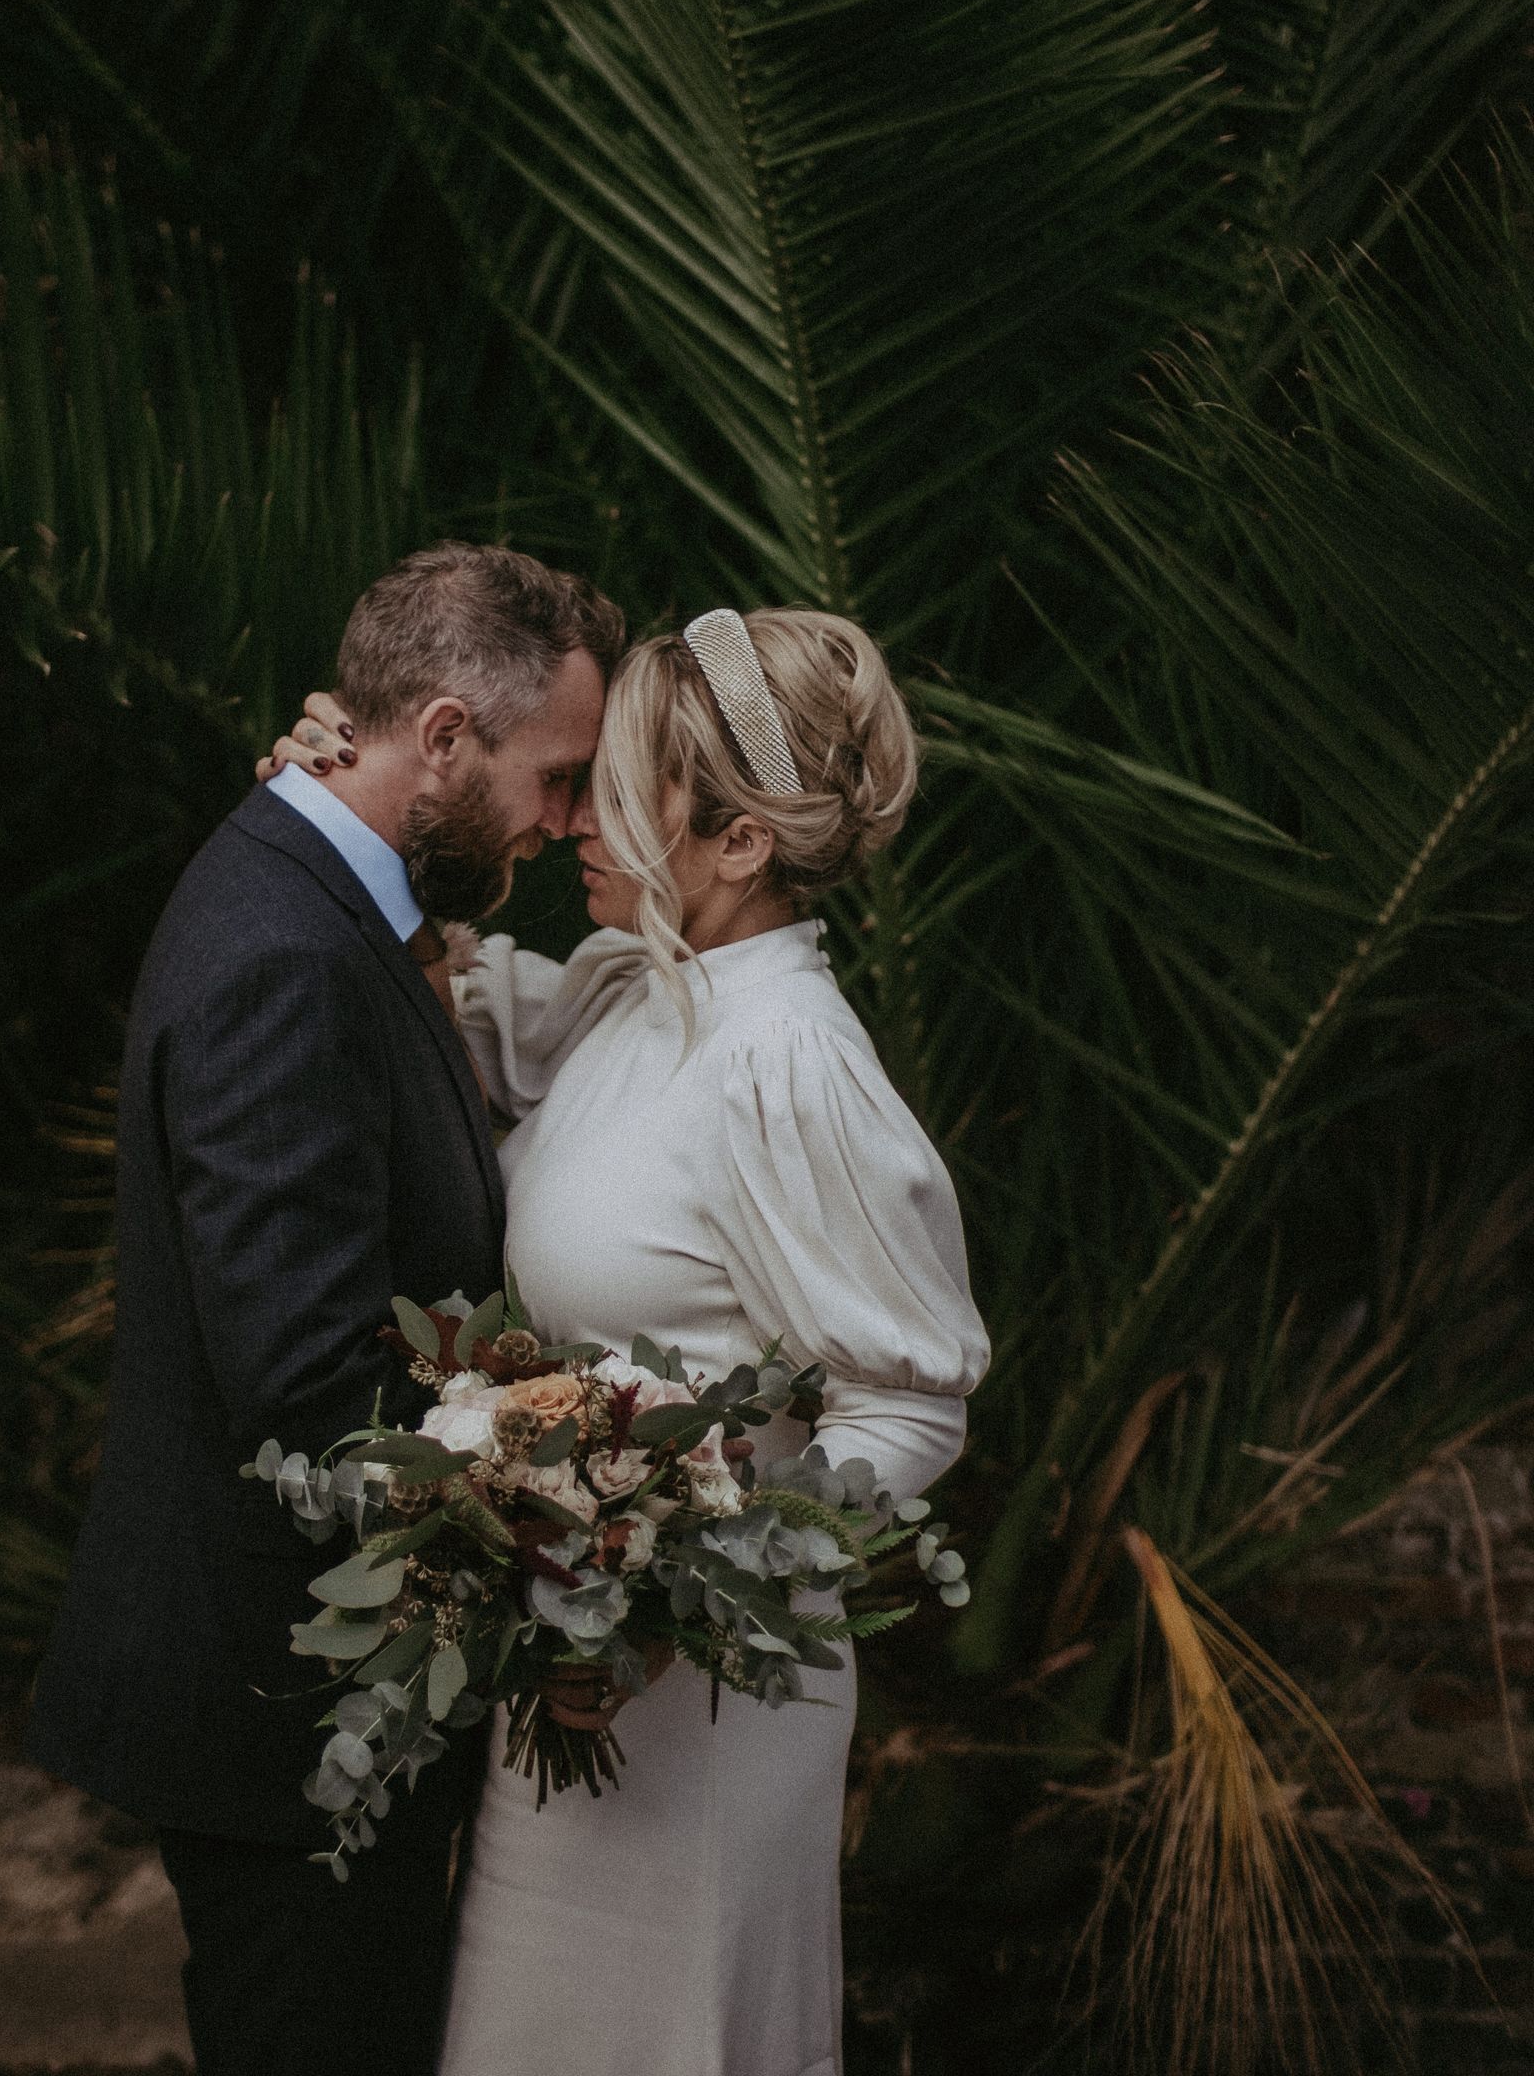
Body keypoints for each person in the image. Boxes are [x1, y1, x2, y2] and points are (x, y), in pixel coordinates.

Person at [264, 605, 989, 2076]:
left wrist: (690, 1594)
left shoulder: (790, 1065)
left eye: (620, 785)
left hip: (703, 1715)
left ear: (736, 845)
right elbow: (422, 996)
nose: (574, 810)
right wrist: (330, 800)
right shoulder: (635, 993)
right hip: (571, 1687)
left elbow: (910, 1402)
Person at [24, 542, 623, 2076]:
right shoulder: (283, 955)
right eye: (555, 780)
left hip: (317, 1706)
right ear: (440, 738)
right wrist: (594, 1485)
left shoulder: (334, 908)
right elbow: (308, 1391)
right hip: (282, 1718)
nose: (565, 828)